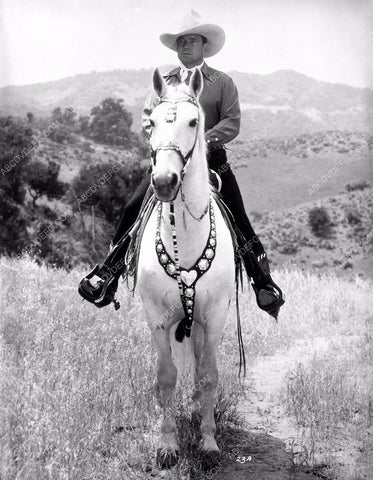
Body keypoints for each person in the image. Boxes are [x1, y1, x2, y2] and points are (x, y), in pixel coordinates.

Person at [79, 10, 284, 318]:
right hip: (168, 161)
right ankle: (109, 273)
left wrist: (203, 141)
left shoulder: (221, 82)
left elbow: (232, 121)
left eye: (191, 41)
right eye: (180, 42)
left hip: (211, 161)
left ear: (204, 46)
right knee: (132, 208)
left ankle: (262, 282)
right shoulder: (163, 83)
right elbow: (149, 119)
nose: (184, 47)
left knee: (239, 216)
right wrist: (162, 143)